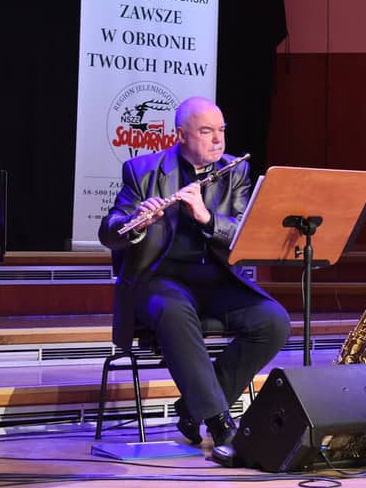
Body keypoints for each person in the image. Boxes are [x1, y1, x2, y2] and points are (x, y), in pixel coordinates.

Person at [99, 96, 289, 447]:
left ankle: (192, 408)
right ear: (181, 135)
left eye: (221, 130)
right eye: (206, 131)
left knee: (274, 321)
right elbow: (109, 232)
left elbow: (245, 232)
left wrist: (207, 218)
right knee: (174, 311)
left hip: (217, 282)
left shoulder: (235, 171)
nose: (218, 140)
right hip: (158, 281)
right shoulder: (142, 170)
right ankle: (219, 422)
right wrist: (136, 222)